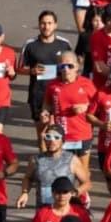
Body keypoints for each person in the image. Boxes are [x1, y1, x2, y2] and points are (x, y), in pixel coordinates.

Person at [17, 12, 73, 148]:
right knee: (42, 132)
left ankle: (57, 160)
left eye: (49, 23)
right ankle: (43, 161)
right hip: (38, 93)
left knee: (58, 130)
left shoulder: (64, 44)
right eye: (43, 23)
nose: (46, 27)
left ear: (55, 25)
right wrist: (31, 71)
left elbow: (73, 67)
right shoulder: (30, 45)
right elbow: (18, 68)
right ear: (39, 25)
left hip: (60, 93)